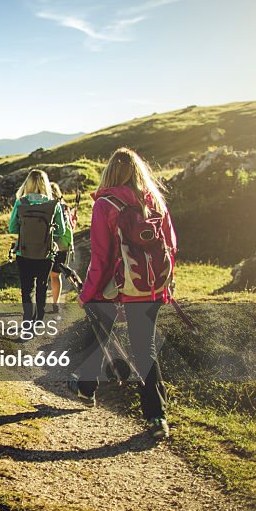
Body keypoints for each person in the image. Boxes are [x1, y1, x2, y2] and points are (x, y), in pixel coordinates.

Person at [71, 147, 177, 440]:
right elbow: (171, 245)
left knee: (100, 327)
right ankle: (157, 417)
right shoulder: (154, 200)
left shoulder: (105, 204)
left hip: (118, 285)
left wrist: (88, 293)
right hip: (152, 285)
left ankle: (86, 385)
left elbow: (102, 258)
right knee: (145, 348)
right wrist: (164, 281)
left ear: (109, 173)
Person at [8, 170, 71, 332]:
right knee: (42, 286)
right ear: (45, 184)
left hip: (24, 252)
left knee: (27, 288)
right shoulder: (54, 205)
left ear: (27, 184)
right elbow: (61, 231)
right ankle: (39, 320)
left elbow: (12, 228)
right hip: (46, 254)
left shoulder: (20, 203)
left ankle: (28, 320)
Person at [48, 181, 76, 314]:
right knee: (55, 275)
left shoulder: (48, 207)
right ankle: (55, 303)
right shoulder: (65, 207)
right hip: (63, 245)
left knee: (44, 276)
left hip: (49, 244)